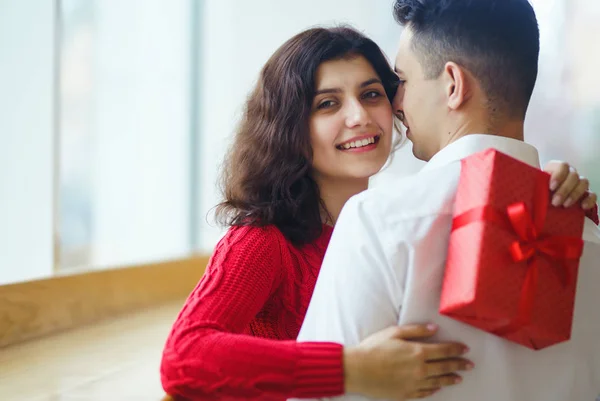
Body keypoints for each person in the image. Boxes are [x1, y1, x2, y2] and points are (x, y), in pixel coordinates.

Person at [160, 26, 596, 401]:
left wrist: (554, 195)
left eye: (372, 95)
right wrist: (352, 368)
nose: (359, 117)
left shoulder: (395, 223)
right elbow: (183, 358)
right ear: (290, 126)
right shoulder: (263, 241)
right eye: (327, 104)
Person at [296, 1, 600, 401]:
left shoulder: (380, 222)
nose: (396, 104)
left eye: (402, 81)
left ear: (453, 84)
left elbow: (317, 396)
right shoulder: (588, 237)